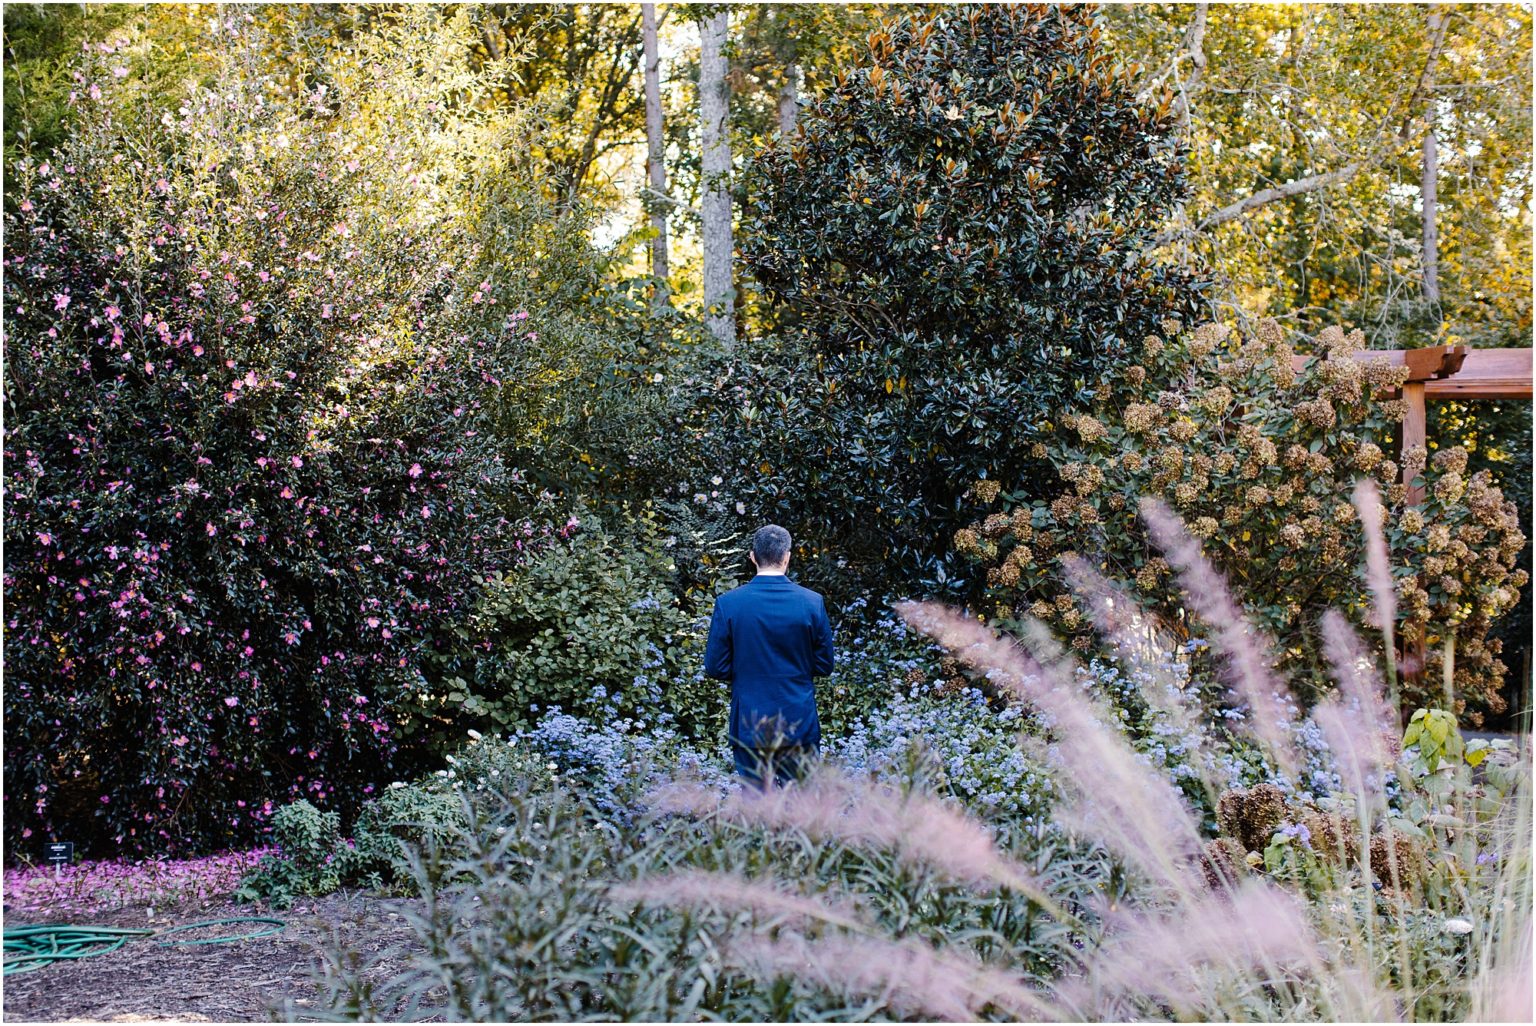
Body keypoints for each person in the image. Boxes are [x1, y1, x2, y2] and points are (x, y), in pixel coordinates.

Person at [704, 525, 835, 789]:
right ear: (787, 556)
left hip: (750, 723)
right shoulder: (811, 602)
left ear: (752, 556)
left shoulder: (729, 603)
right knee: (801, 809)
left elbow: (715, 666)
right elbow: (824, 665)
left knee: (755, 810)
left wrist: (747, 671)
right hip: (798, 721)